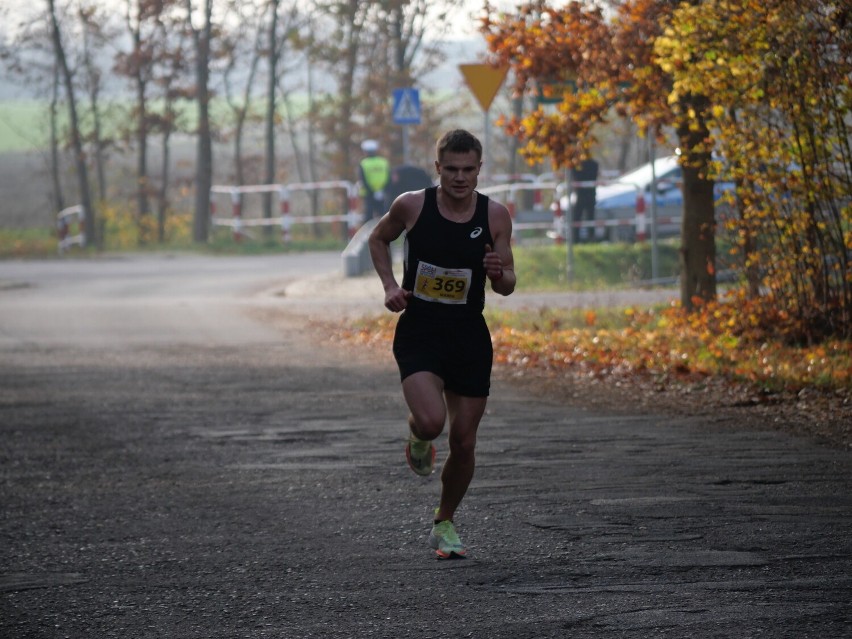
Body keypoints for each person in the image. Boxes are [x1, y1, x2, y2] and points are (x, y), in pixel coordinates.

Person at [368, 129, 516, 559]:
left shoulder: (495, 215)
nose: (459, 177)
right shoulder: (412, 205)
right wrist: (390, 286)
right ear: (438, 168)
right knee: (433, 423)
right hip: (421, 329)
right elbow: (378, 239)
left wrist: (497, 273)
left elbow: (508, 284)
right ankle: (418, 436)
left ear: (479, 169)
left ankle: (444, 521)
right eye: (451, 169)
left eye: (468, 169)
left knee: (465, 442)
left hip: (469, 334)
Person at [358, 139, 391, 221]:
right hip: (383, 193)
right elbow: (389, 178)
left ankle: (368, 233)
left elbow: (363, 180)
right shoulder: (383, 162)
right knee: (383, 216)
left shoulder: (364, 163)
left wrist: (373, 191)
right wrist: (382, 190)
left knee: (368, 216)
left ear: (365, 151)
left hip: (368, 194)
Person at [570, 157, 599, 242]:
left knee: (577, 217)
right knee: (590, 216)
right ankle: (591, 237)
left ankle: (575, 239)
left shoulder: (577, 165)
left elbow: (574, 175)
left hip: (581, 194)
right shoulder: (594, 164)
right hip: (591, 194)